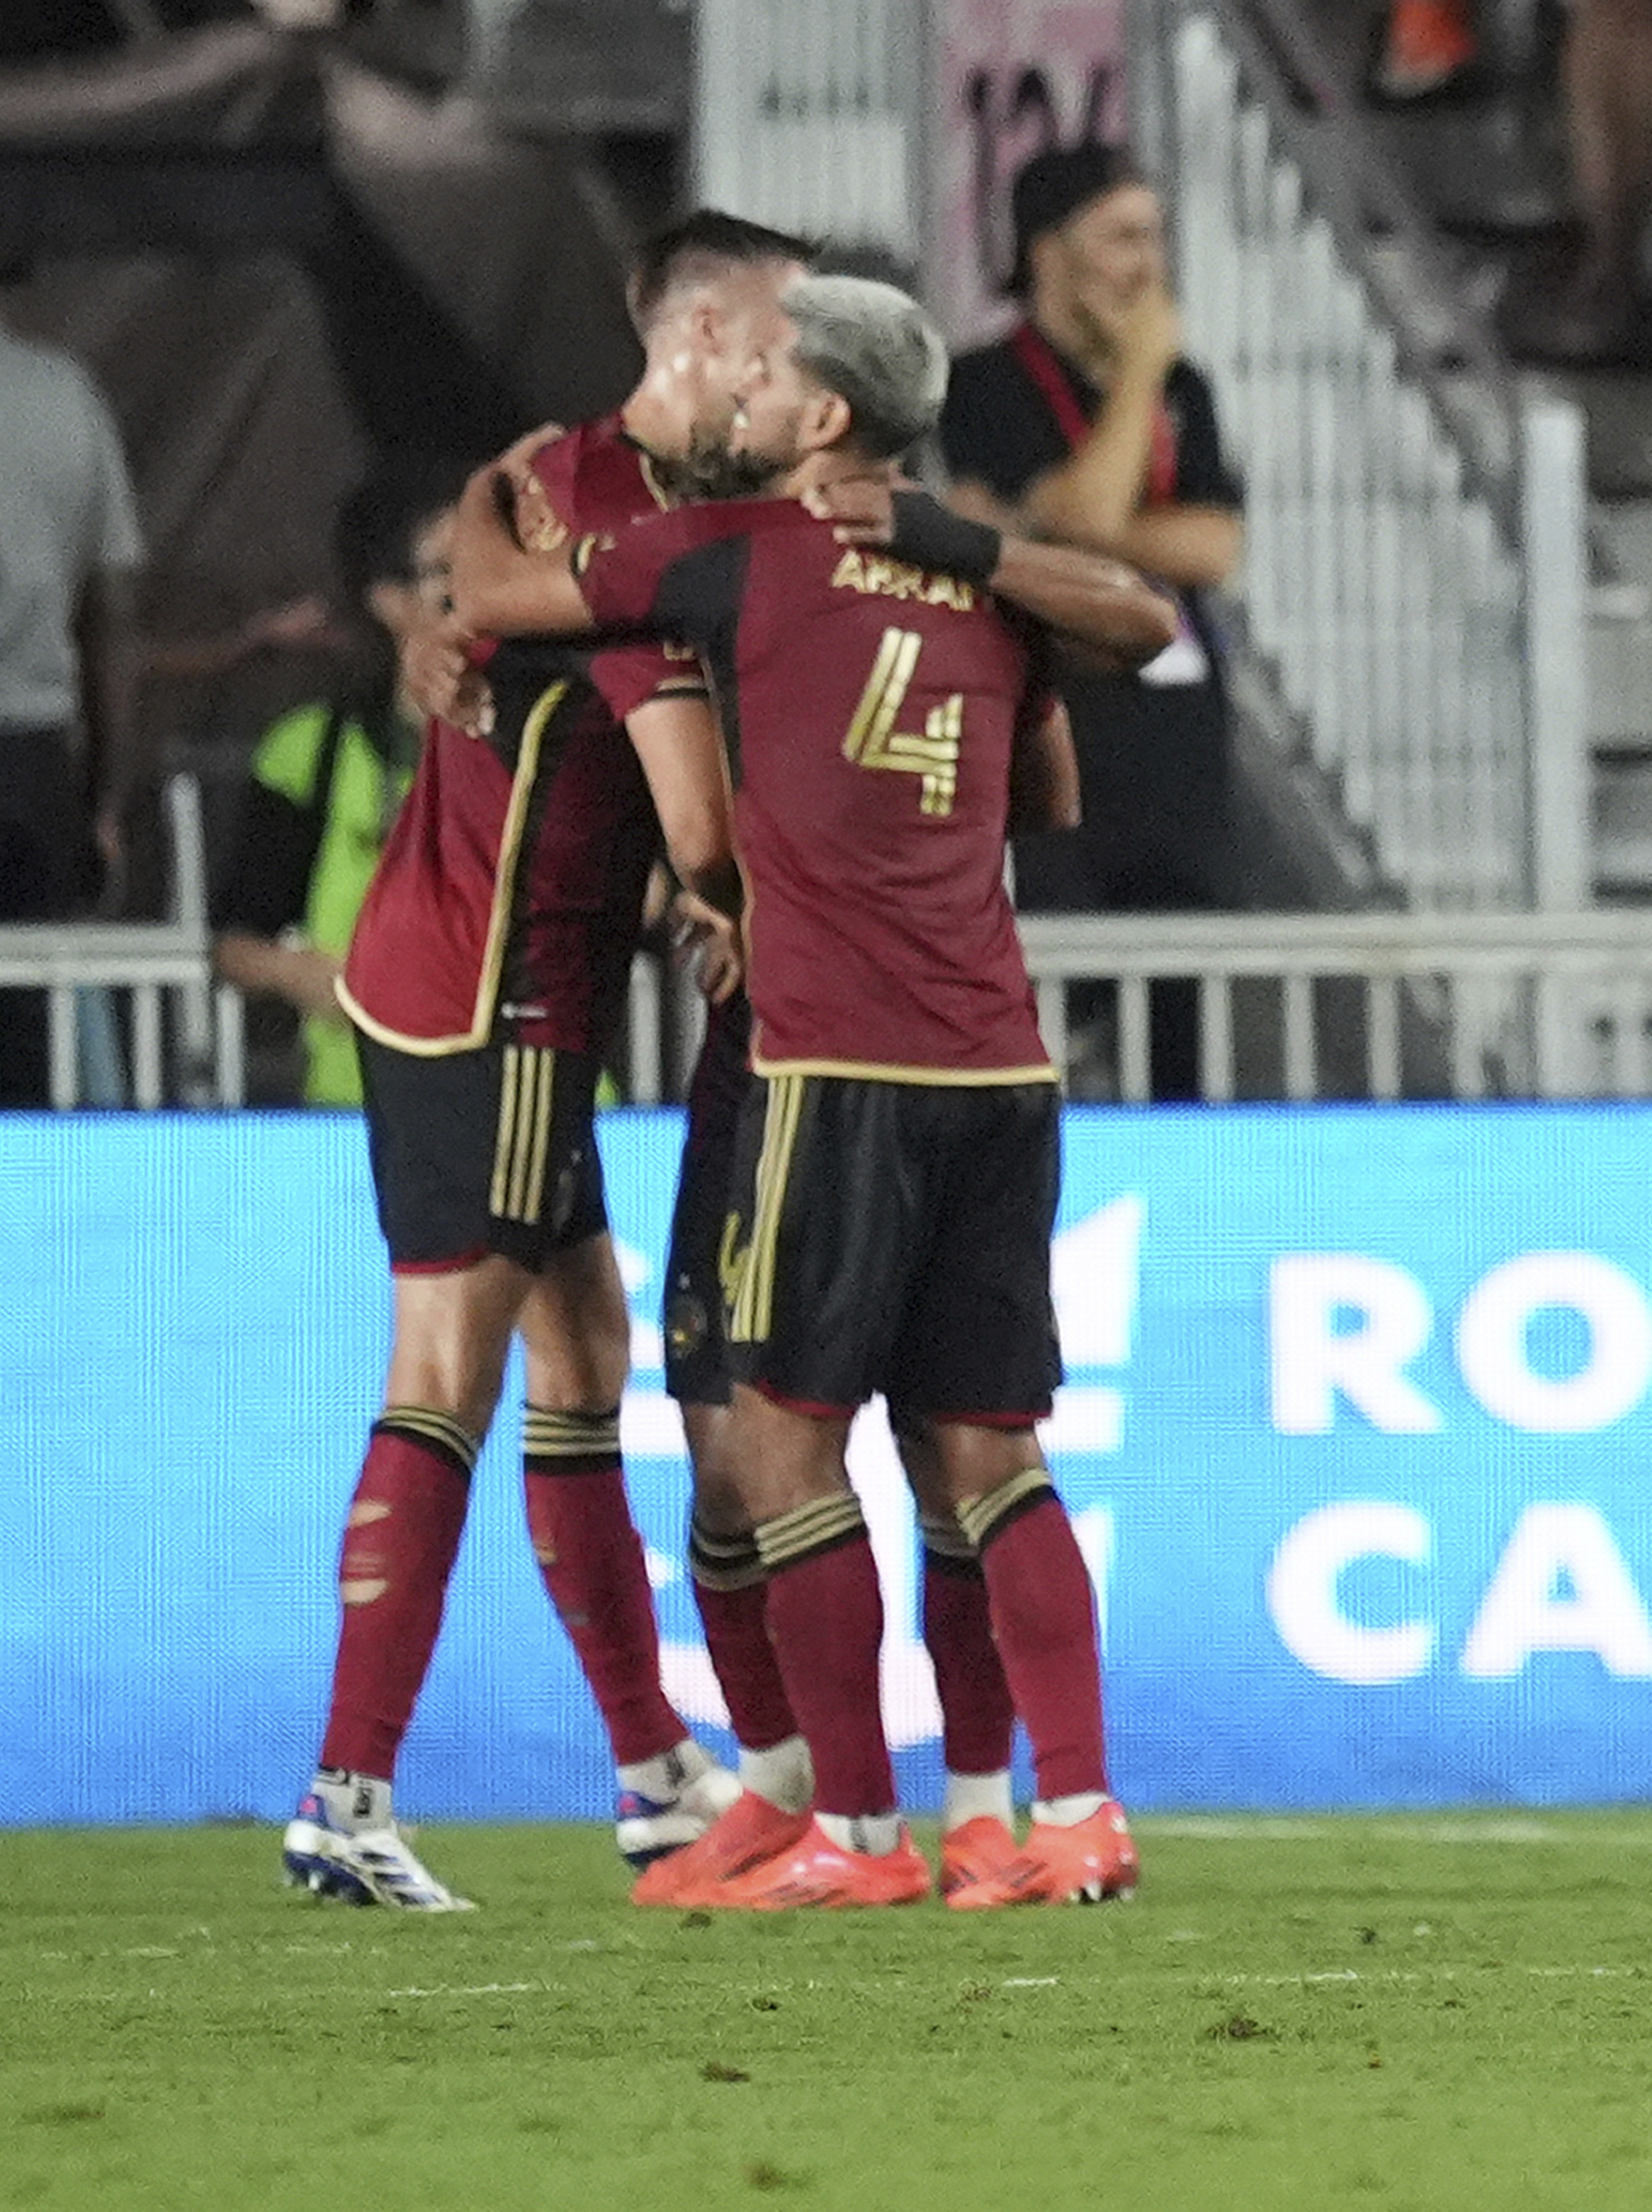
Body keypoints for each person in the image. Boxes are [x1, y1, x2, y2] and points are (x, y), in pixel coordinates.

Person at [455, 274, 1162, 1910]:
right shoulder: (984, 585)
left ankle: (854, 1833)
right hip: (998, 1062)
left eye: (763, 377)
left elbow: (503, 594)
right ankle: (1075, 1812)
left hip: (829, 1064)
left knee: (777, 1450)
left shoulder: (729, 560)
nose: (742, 396)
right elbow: (1045, 787)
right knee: (988, 1458)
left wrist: (485, 496)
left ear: (822, 419)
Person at [273, 211, 837, 1911]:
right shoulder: (636, 540)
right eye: (785, 333)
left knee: (582, 1359)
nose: (796, 367)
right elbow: (687, 809)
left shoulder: (546, 473)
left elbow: (520, 621)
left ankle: (655, 1772)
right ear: (714, 332)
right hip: (502, 993)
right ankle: (348, 1795)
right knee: (447, 1366)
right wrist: (751, 897)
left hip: (461, 966)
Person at [939, 144, 1246, 1097]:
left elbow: (1214, 546)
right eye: (1121, 238)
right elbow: (1085, 515)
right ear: (1048, 252)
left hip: (1179, 750)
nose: (1147, 263)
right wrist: (1137, 377)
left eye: (1153, 236)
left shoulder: (1184, 390)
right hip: (1060, 738)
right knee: (1055, 1007)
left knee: (1183, 1016)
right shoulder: (983, 380)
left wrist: (1072, 524)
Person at [0, 164, 144, 1109]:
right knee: (34, 1055)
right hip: (39, 777)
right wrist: (103, 796)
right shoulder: (65, 394)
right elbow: (115, 614)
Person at [209, 461, 456, 1106]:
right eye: (449, 574)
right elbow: (235, 940)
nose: (482, 593)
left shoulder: (550, 732)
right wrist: (300, 974)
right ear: (389, 599)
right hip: (357, 1108)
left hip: (535, 1107)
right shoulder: (308, 753)